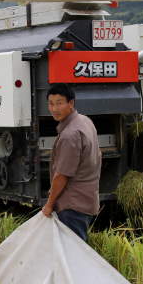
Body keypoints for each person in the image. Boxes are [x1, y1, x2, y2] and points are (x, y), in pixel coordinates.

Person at [42, 83, 101, 241]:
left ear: (71, 103)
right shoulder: (85, 121)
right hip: (87, 199)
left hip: (71, 205)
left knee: (74, 256)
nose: (54, 108)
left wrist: (49, 204)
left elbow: (61, 176)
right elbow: (98, 156)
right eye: (51, 104)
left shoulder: (70, 135)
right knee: (77, 251)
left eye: (59, 103)